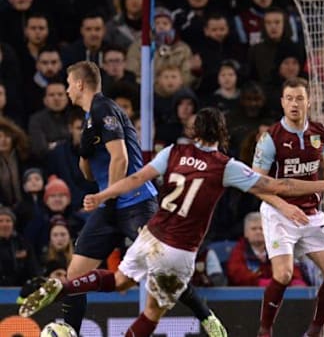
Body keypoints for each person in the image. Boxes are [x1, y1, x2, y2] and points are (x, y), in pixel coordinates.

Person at [18, 107, 324, 337]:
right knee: (151, 313)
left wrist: (102, 196)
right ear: (222, 132)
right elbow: (278, 186)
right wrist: (322, 186)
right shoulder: (225, 165)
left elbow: (136, 179)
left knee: (117, 280)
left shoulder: (173, 152)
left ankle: (65, 285)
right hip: (178, 251)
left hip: (151, 235)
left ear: (194, 131)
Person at [52, 61, 226, 336]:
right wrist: (84, 153)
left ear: (80, 84)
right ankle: (69, 330)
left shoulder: (103, 108)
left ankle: (207, 316)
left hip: (134, 202)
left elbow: (120, 159)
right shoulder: (88, 119)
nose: (66, 89)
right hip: (109, 206)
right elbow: (87, 173)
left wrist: (107, 198)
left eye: (68, 82)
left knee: (162, 267)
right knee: (76, 274)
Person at [252, 77, 324, 337]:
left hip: (311, 214)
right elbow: (256, 184)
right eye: (289, 98)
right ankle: (265, 330)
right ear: (282, 102)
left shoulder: (320, 132)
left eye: (299, 98)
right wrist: (284, 207)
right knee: (283, 275)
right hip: (279, 212)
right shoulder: (270, 138)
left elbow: (321, 162)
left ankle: (314, 331)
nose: (294, 104)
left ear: (309, 101)